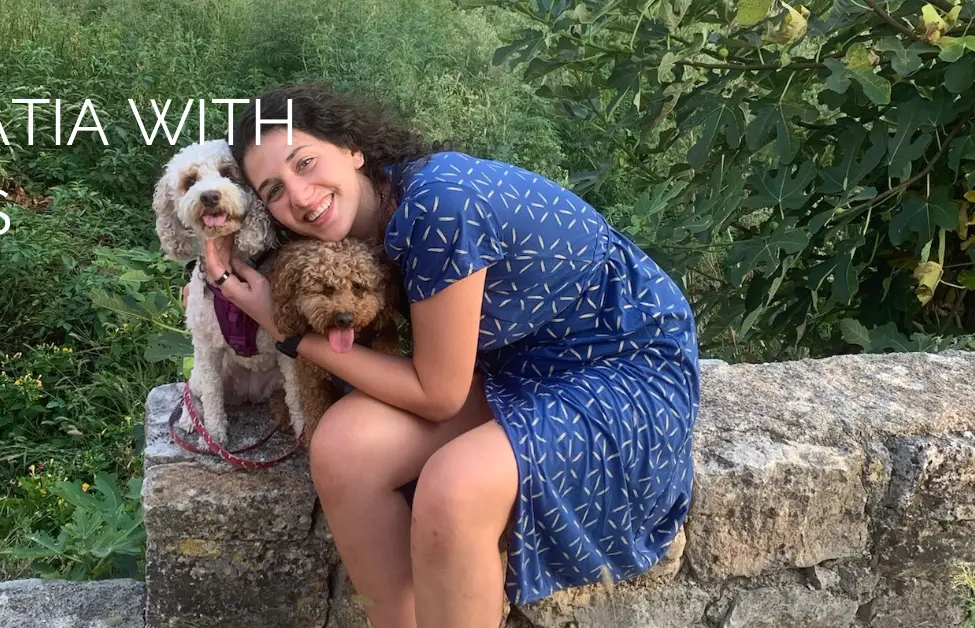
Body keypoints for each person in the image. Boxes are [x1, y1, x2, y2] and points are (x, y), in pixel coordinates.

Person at [200, 84, 699, 628]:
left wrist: (288, 330)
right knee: (343, 448)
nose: (297, 195)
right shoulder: (364, 225)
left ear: (353, 148)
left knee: (455, 488)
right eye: (273, 189)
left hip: (620, 364)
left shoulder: (439, 204)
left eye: (306, 161)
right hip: (517, 366)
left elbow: (437, 396)